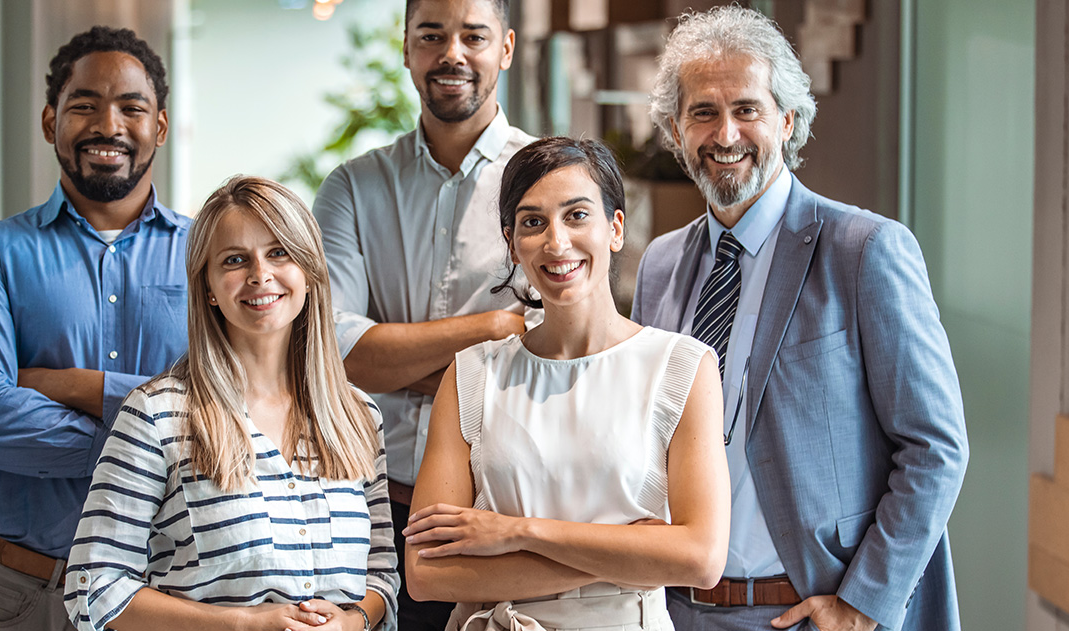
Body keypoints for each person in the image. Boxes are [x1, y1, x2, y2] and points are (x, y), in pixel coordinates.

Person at [634, 7, 970, 631]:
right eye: (703, 112)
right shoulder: (659, 265)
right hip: (675, 611)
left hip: (809, 613)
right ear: (676, 130)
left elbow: (935, 448)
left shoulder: (865, 251)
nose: (725, 134)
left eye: (747, 109)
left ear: (787, 121)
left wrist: (863, 604)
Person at [402, 137, 730, 631]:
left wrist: (518, 532)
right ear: (512, 244)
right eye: (533, 222)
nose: (556, 242)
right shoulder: (471, 375)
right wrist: (632, 556)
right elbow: (427, 574)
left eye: (577, 215)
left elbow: (700, 559)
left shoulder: (682, 367)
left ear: (615, 228)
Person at [0, 26, 190, 631]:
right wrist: (161, 440)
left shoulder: (209, 255)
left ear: (160, 127)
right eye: (84, 105)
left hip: (182, 594)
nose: (108, 125)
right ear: (51, 122)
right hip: (34, 591)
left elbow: (242, 409)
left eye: (131, 108)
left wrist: (71, 386)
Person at [63, 176, 397, 631]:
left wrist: (352, 622)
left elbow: (381, 577)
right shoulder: (157, 415)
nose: (260, 274)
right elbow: (94, 587)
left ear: (309, 271)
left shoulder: (358, 415)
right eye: (235, 260)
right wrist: (242, 623)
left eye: (279, 252)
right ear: (208, 287)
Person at [312, 0, 535, 627]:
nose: (452, 54)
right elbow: (336, 353)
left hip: (506, 514)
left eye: (474, 36)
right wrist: (494, 330)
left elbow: (554, 358)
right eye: (432, 36)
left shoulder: (551, 181)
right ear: (407, 47)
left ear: (506, 48)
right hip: (369, 512)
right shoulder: (353, 187)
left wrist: (395, 361)